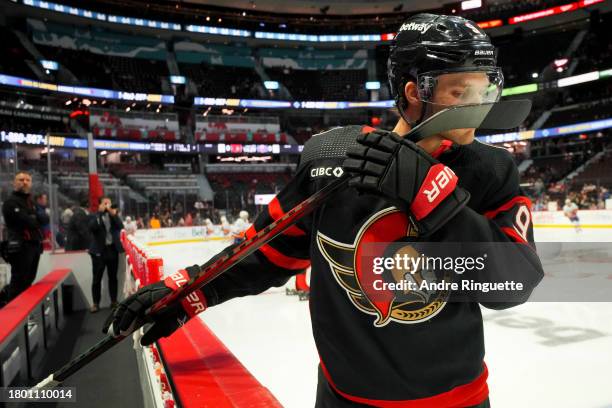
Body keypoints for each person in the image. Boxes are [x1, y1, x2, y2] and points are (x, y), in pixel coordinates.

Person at [105, 14, 544, 407]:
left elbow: (514, 282)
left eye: (483, 87)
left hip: (458, 402)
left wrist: (433, 194)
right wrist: (188, 293)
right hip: (343, 399)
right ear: (414, 92)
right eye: (459, 90)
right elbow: (267, 252)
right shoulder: (333, 157)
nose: (479, 103)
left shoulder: (490, 169)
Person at [0, 171, 47, 307]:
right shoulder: (10, 202)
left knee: (28, 282)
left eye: (27, 180)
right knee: (19, 282)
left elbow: (44, 219)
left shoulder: (30, 201)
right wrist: (33, 217)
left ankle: (26, 315)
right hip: (20, 247)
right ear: (14, 183)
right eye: (21, 179)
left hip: (34, 246)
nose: (24, 182)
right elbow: (29, 222)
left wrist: (33, 217)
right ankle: (12, 315)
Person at [88, 196, 124, 313]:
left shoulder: (113, 215)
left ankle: (113, 301)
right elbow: (92, 227)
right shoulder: (94, 215)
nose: (107, 205)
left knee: (113, 277)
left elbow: (120, 226)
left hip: (112, 250)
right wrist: (100, 213)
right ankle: (95, 303)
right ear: (99, 205)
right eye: (104, 203)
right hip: (99, 251)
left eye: (108, 203)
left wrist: (112, 214)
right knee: (96, 279)